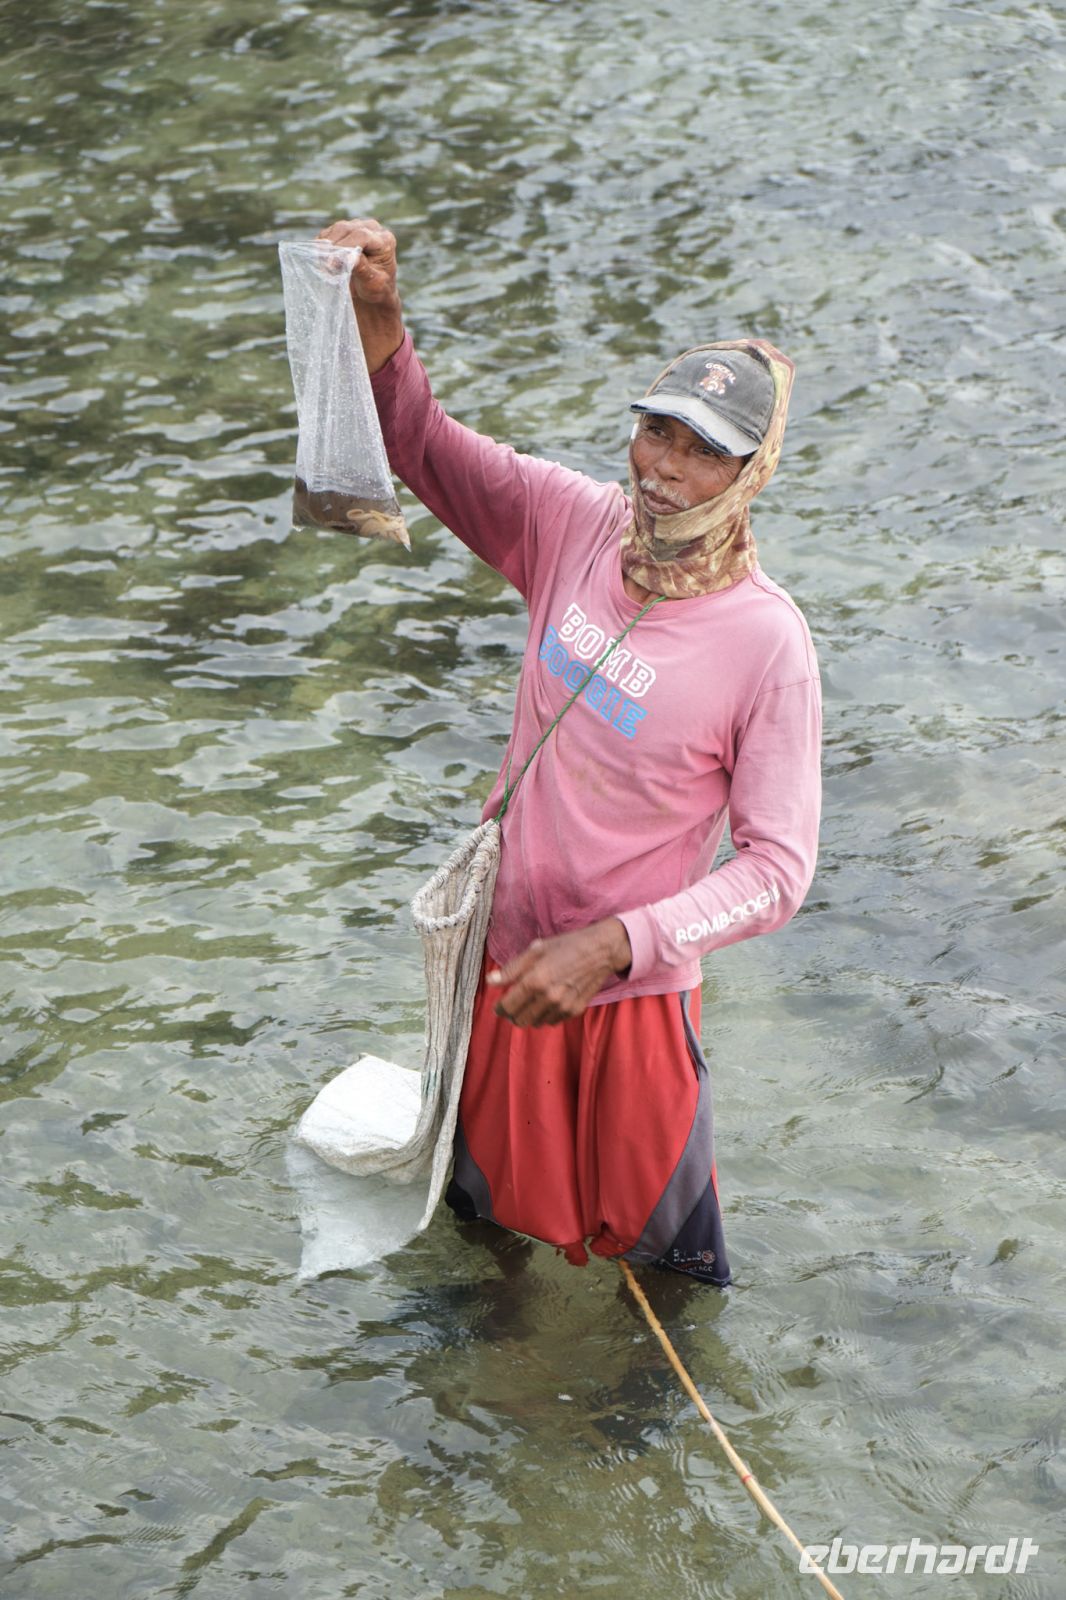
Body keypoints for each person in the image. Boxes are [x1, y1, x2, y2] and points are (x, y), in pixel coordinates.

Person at [318, 218, 821, 1286]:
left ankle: (628, 1449)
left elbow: (777, 871)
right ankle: (481, 1429)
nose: (666, 470)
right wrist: (379, 318)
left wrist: (616, 944)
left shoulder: (765, 641)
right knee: (486, 1234)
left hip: (627, 1003)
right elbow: (421, 447)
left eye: (702, 451)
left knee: (665, 1279)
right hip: (510, 967)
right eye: (656, 433)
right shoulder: (568, 524)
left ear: (750, 475)